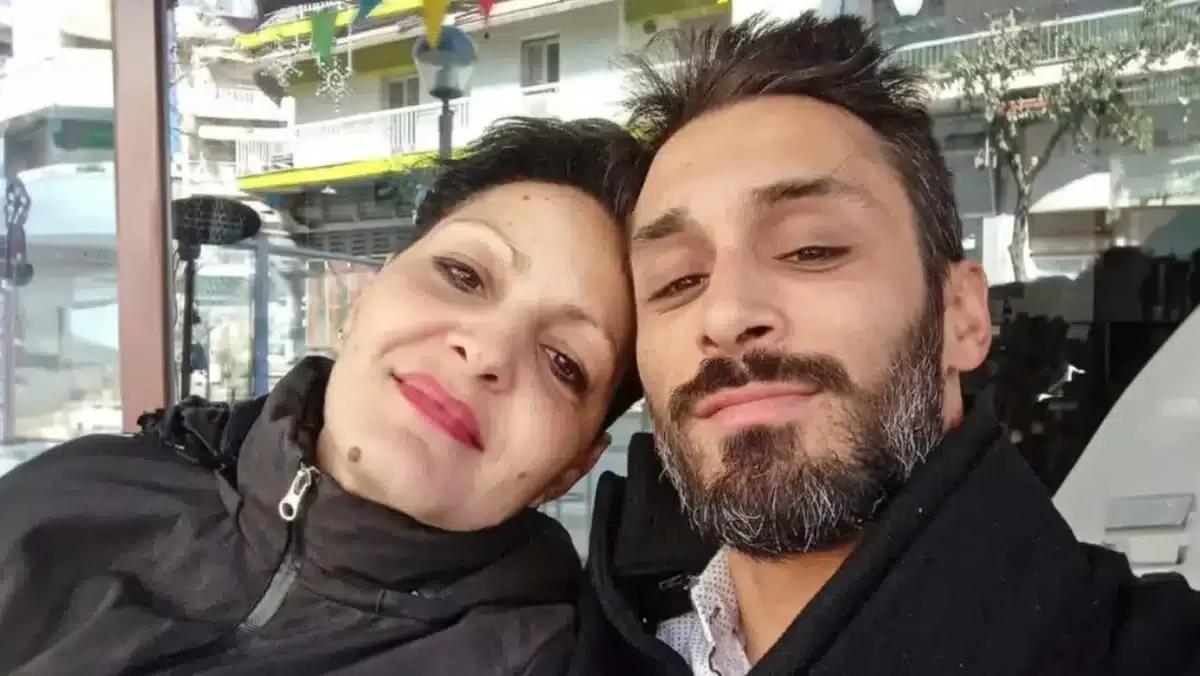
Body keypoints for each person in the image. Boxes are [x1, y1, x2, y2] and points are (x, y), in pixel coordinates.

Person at [572, 14, 1200, 676]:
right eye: (677, 282)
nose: (725, 315)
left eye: (811, 248)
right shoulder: (574, 645)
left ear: (961, 316)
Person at [0, 117, 644, 676]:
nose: (486, 353)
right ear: (365, 296)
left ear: (571, 469)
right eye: (463, 275)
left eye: (564, 362)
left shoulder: (551, 661)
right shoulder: (80, 495)